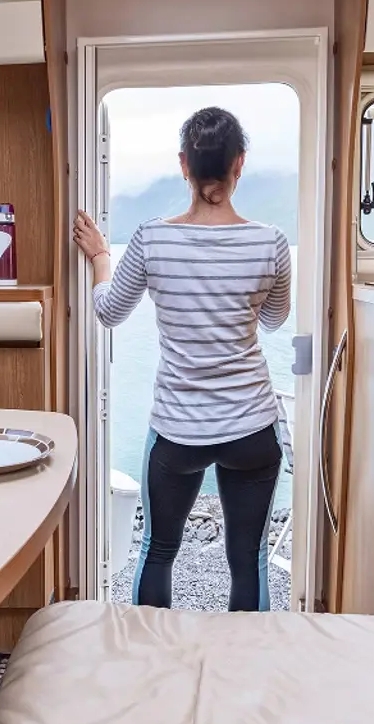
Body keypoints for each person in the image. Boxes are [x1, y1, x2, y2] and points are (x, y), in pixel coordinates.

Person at [74, 106, 291, 612]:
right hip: (252, 427)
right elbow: (274, 320)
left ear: (183, 164)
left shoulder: (151, 238)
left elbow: (107, 311)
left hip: (177, 430)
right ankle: (248, 658)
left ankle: (151, 654)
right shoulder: (272, 242)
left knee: (158, 551)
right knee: (250, 559)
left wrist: (101, 257)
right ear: (239, 164)